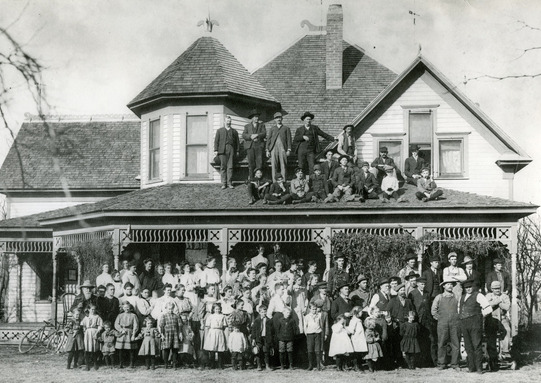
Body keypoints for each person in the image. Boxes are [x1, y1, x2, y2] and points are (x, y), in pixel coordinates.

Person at [459, 278, 493, 374]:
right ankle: (471, 367)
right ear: (464, 289)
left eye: (470, 287)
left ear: (473, 287)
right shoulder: (462, 297)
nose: (468, 289)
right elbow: (459, 310)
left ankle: (479, 368)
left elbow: (488, 308)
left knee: (476, 345)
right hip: (464, 324)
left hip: (475, 324)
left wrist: (479, 315)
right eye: (466, 288)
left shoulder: (479, 295)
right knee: (468, 346)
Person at [431, 277, 460, 371]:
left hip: (455, 323)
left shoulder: (456, 296)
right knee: (441, 343)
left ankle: (455, 363)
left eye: (451, 284)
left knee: (455, 344)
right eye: (448, 284)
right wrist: (439, 319)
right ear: (443, 286)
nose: (450, 286)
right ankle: (441, 363)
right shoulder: (439, 297)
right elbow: (433, 310)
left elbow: (460, 308)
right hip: (442, 324)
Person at [294, 111, 335, 177]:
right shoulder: (299, 129)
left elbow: (323, 134)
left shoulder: (314, 128)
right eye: (307, 119)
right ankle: (302, 182)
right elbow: (295, 139)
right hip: (301, 150)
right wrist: (302, 137)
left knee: (312, 166)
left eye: (310, 119)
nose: (308, 121)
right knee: (301, 166)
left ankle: (311, 181)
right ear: (304, 120)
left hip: (311, 151)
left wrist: (332, 138)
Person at [408, 277, 436, 367]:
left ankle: (429, 360)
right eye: (421, 284)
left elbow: (429, 306)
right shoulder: (412, 294)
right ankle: (418, 362)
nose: (423, 286)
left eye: (424, 284)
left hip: (427, 320)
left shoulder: (427, 294)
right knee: (419, 340)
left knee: (429, 340)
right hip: (418, 320)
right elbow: (411, 307)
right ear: (417, 284)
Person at [386, 284, 414, 369]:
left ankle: (408, 362)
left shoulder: (408, 301)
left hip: (406, 325)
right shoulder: (393, 301)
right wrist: (392, 320)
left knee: (407, 343)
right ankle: (399, 361)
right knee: (397, 344)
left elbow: (412, 310)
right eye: (401, 290)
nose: (403, 292)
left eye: (403, 290)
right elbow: (388, 311)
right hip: (397, 325)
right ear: (397, 292)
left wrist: (411, 317)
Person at [485, 280, 511, 370]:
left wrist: (498, 302)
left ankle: (505, 351)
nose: (497, 290)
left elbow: (507, 307)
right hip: (491, 318)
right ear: (492, 289)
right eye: (495, 288)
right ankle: (492, 356)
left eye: (498, 288)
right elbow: (487, 305)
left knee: (507, 330)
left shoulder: (505, 296)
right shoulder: (488, 296)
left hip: (503, 318)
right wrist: (497, 302)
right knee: (490, 335)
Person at [214, 115, 240, 189]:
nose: (229, 122)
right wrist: (216, 150)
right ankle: (224, 183)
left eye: (230, 121)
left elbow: (237, 142)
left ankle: (229, 183)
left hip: (231, 149)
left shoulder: (234, 131)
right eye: (227, 121)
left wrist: (237, 151)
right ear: (224, 122)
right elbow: (216, 141)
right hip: (222, 150)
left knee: (230, 167)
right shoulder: (219, 131)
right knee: (223, 167)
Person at [266, 112, 292, 182]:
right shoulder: (272, 129)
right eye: (277, 118)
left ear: (282, 119)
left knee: (283, 164)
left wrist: (289, 150)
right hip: (273, 148)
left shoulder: (286, 128)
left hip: (283, 148)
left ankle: (283, 181)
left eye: (279, 118)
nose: (278, 119)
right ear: (275, 120)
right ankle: (275, 182)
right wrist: (267, 150)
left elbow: (289, 139)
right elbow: (268, 140)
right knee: (274, 165)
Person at [242, 109, 267, 181]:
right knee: (251, 164)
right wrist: (250, 136)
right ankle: (252, 179)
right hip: (250, 147)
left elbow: (264, 133)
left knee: (259, 163)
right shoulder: (247, 126)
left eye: (258, 116)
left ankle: (259, 179)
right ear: (252, 118)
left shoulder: (262, 125)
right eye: (255, 117)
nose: (257, 118)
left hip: (259, 147)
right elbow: (244, 135)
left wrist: (257, 135)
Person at [115, 301, 139, 368]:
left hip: (130, 333)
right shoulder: (120, 315)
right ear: (123, 308)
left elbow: (136, 326)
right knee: (121, 349)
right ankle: (121, 363)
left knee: (131, 349)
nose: (126, 309)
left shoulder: (133, 315)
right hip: (122, 333)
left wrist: (133, 334)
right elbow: (116, 324)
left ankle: (131, 363)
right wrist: (121, 330)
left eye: (128, 307)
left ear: (130, 307)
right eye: (125, 307)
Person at [159, 301, 183, 369]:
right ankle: (166, 363)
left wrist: (180, 333)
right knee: (166, 349)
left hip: (175, 334)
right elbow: (161, 326)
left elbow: (180, 325)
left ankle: (174, 363)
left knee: (175, 349)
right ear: (166, 309)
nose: (170, 310)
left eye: (171, 309)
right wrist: (162, 334)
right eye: (169, 309)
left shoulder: (176, 316)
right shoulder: (164, 316)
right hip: (167, 334)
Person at [203, 303, 228, 369]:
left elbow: (225, 326)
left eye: (219, 309)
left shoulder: (222, 316)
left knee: (220, 348)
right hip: (212, 332)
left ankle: (220, 365)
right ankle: (212, 364)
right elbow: (207, 326)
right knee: (212, 348)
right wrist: (208, 335)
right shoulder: (210, 316)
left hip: (220, 332)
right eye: (216, 309)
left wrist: (224, 334)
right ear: (213, 309)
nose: (217, 310)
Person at [252, 305, 274, 371]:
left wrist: (271, 339)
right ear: (259, 312)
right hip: (259, 338)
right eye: (262, 312)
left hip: (266, 338)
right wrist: (253, 339)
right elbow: (254, 330)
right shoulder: (256, 320)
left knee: (266, 351)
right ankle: (259, 365)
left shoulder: (269, 321)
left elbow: (272, 331)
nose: (264, 314)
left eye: (265, 312)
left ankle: (267, 365)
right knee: (258, 351)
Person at [304, 302, 324, 371]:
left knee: (317, 350)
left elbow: (321, 325)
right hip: (310, 334)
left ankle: (318, 365)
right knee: (310, 350)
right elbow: (305, 326)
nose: (314, 311)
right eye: (312, 309)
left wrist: (321, 332)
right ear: (309, 309)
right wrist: (306, 333)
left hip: (317, 333)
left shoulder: (319, 315)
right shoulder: (307, 317)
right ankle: (310, 365)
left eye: (315, 309)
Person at [348, 306, 368, 371]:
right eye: (361, 312)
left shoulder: (358, 320)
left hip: (360, 338)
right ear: (356, 312)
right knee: (356, 353)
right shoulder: (354, 320)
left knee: (359, 353)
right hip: (356, 339)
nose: (362, 313)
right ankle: (356, 366)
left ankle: (359, 365)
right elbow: (351, 330)